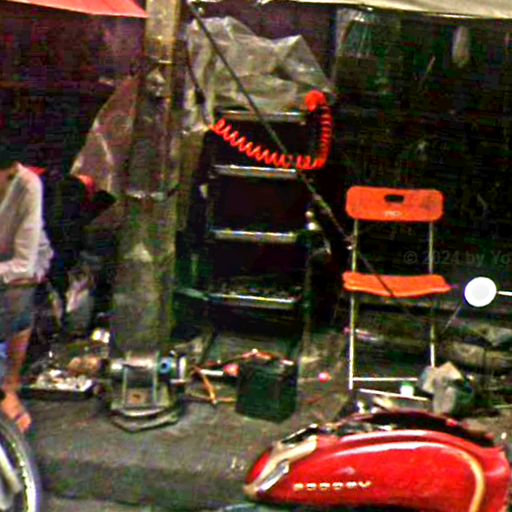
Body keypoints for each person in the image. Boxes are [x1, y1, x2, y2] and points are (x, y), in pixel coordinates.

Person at [0, 145, 53, 432]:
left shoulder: (27, 186)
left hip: (22, 265)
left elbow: (23, 265)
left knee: (18, 290)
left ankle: (10, 385)